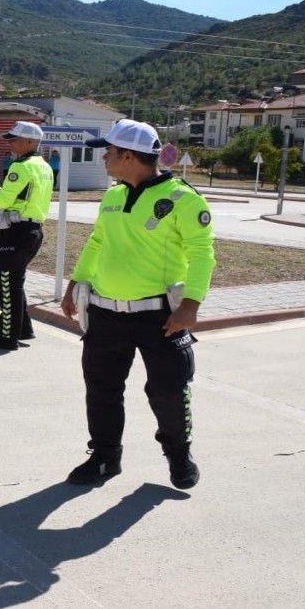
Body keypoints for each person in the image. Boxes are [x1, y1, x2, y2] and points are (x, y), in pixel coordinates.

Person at [59, 119, 216, 491]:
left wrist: (190, 305)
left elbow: (202, 254)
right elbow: (97, 243)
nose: (104, 159)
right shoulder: (113, 196)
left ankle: (178, 454)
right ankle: (104, 457)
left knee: (168, 392)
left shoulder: (183, 199)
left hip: (161, 318)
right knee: (101, 390)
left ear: (128, 156)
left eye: (108, 152)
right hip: (105, 313)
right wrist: (75, 285)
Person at [0, 121, 53, 351]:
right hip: (33, 229)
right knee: (16, 282)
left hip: (15, 231)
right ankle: (22, 328)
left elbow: (5, 201)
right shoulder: (43, 166)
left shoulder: (21, 166)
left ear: (30, 141)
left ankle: (6, 337)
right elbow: (19, 196)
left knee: (7, 284)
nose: (10, 143)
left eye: (14, 139)